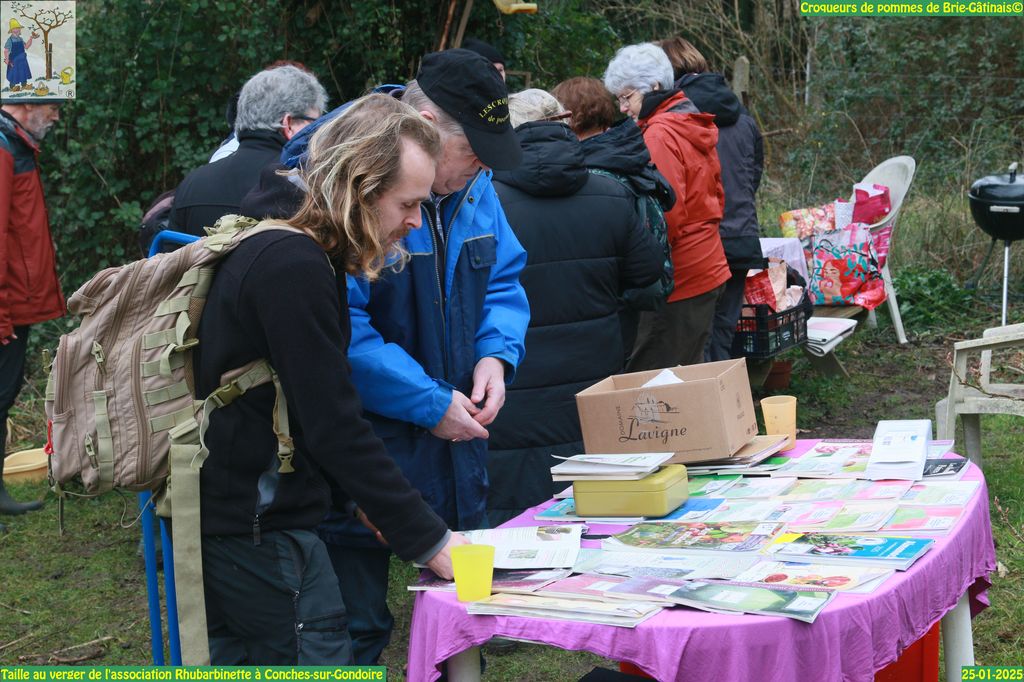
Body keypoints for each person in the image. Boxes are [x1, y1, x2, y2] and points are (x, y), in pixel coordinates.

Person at [195, 93, 465, 664]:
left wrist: (354, 500)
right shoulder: (292, 264)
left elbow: (299, 399)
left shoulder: (296, 247)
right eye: (408, 203)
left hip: (240, 515)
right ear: (359, 189)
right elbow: (333, 421)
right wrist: (429, 539)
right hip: (257, 526)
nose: (416, 222)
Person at [316, 48, 529, 665]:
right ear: (428, 128)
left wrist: (496, 355)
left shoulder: (475, 187)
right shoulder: (347, 188)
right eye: (472, 151)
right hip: (365, 445)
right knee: (355, 624)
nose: (482, 166)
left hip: (455, 438)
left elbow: (504, 280)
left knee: (462, 607)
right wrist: (427, 402)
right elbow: (340, 329)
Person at [486, 89, 664, 523]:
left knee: (517, 513)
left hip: (511, 383)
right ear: (563, 124)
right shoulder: (610, 193)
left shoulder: (483, 203)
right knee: (597, 503)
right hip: (594, 378)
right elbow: (647, 275)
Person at [604, 43, 730, 369]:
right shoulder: (688, 119)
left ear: (654, 86)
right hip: (706, 261)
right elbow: (716, 193)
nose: (623, 108)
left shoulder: (660, 135)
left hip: (681, 277)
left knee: (654, 382)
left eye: (627, 97)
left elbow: (664, 216)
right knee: (688, 373)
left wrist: (638, 266)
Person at [552, 76, 676, 361]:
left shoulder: (587, 172)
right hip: (631, 301)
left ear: (568, 117)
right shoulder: (628, 153)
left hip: (603, 304)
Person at [659, 37, 765, 361]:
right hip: (742, 237)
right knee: (723, 330)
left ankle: (707, 392)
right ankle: (726, 389)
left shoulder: (672, 119)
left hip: (700, 243)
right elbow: (753, 176)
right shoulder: (743, 117)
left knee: (695, 339)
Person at [168, 64, 326, 239]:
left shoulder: (191, 183)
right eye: (315, 123)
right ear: (289, 124)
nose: (320, 131)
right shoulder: (306, 185)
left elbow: (170, 253)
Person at [0, 102, 63, 525]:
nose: (56, 117)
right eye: (52, 106)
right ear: (26, 102)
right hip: (5, 308)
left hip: (13, 305)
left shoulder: (15, 144)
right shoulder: (3, 148)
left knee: (2, 398)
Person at [4, 20, 36, 92]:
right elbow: (6, 50)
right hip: (14, 60)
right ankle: (12, 87)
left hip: (22, 60)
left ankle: (24, 85)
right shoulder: (10, 40)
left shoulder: (20, 39)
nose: (17, 30)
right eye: (15, 28)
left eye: (18, 28)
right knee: (14, 73)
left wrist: (31, 38)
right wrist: (7, 59)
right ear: (11, 30)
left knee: (23, 72)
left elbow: (26, 46)